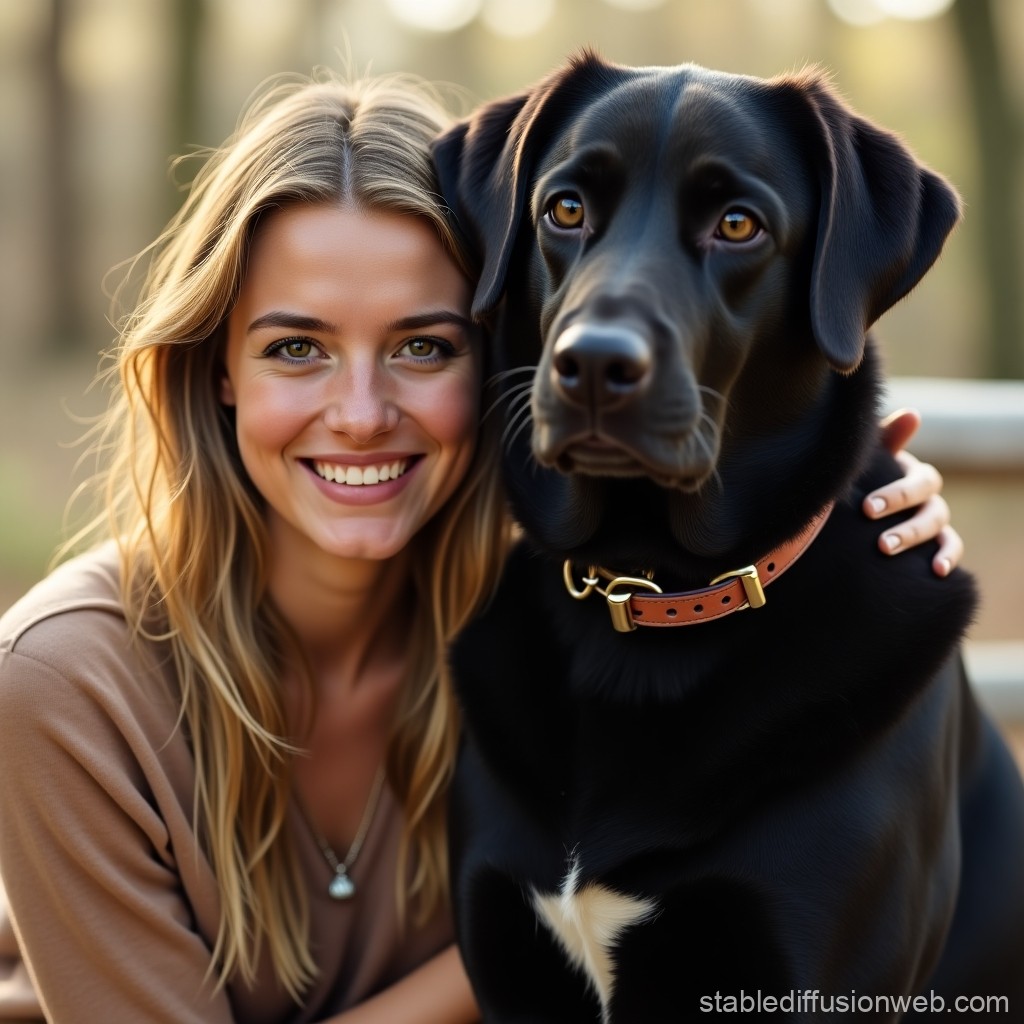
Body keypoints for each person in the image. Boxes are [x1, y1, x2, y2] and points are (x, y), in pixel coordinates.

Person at [0, 70, 962, 1024]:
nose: (363, 416)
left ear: (503, 344)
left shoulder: (548, 613)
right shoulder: (65, 686)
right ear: (218, 366)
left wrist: (847, 505)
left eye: (425, 347)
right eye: (297, 347)